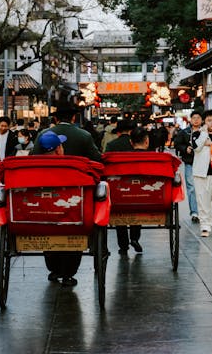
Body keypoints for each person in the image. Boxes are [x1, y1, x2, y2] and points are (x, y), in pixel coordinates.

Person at [33, 106, 102, 287]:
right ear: (74, 117)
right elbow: (97, 160)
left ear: (55, 119)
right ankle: (68, 273)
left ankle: (54, 269)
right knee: (75, 224)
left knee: (49, 222)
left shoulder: (43, 135)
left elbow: (32, 159)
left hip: (44, 194)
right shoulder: (84, 136)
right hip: (75, 191)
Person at [111, 126, 148, 255]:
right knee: (138, 202)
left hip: (123, 194)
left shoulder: (121, 158)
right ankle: (134, 238)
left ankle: (123, 245)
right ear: (147, 141)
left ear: (131, 143)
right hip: (147, 196)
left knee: (121, 205)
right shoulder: (154, 158)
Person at [175, 113, 201, 223]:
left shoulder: (205, 132)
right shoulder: (184, 132)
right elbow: (177, 144)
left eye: (198, 118)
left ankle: (205, 210)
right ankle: (194, 212)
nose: (196, 120)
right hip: (189, 162)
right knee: (191, 187)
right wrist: (185, 148)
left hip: (203, 163)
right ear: (190, 120)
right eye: (194, 118)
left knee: (204, 187)